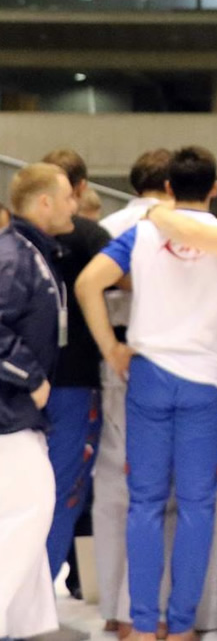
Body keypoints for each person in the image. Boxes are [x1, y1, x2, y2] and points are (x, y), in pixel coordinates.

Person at [75, 146, 217, 641]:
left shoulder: (143, 233)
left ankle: (144, 625)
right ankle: (185, 626)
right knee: (196, 507)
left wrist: (112, 347)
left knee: (144, 505)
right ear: (214, 188)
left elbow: (89, 285)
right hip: (206, 382)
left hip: (147, 377)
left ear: (168, 188)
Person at [92, 148, 172, 638]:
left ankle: (113, 607)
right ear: (170, 187)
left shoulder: (109, 225)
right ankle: (139, 613)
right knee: (153, 496)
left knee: (112, 491)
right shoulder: (171, 225)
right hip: (159, 364)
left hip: (115, 359)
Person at [0, 163, 77, 640]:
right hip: (10, 412)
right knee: (31, 507)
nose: (74, 203)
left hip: (18, 412)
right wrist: (31, 378)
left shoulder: (30, 252)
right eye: (67, 195)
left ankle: (21, 628)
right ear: (44, 202)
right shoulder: (14, 256)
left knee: (23, 512)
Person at [40, 148, 110, 583]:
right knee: (65, 491)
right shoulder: (90, 236)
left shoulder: (15, 238)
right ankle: (33, 601)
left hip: (23, 385)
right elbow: (124, 278)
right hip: (74, 383)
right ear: (80, 189)